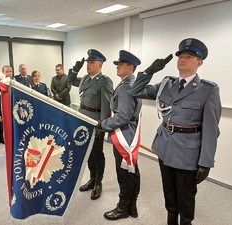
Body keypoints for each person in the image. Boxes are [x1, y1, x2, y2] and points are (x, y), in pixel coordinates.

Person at [131, 38, 222, 225]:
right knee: (169, 193)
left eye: (189, 56)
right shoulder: (167, 83)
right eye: (181, 55)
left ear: (199, 63)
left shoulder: (208, 90)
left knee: (186, 197)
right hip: (165, 147)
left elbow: (212, 129)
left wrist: (206, 162)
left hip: (188, 153)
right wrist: (149, 71)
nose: (183, 59)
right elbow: (136, 91)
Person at [97, 50, 142, 220]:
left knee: (124, 173)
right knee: (132, 171)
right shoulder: (131, 83)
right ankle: (132, 206)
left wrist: (103, 124)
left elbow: (122, 116)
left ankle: (123, 208)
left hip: (123, 135)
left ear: (130, 67)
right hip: (130, 133)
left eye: (120, 64)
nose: (117, 67)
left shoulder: (126, 87)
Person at [68, 49, 114, 200]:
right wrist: (75, 69)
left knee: (97, 153)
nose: (88, 65)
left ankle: (98, 183)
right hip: (82, 119)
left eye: (91, 62)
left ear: (99, 65)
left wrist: (102, 125)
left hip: (95, 121)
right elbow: (69, 81)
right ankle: (91, 178)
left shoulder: (105, 81)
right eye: (87, 62)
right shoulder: (85, 79)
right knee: (87, 153)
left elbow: (106, 105)